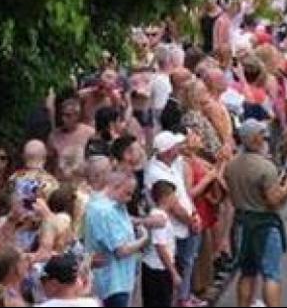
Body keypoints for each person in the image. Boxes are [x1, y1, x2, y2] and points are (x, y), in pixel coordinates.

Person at [224, 119, 287, 308]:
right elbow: (274, 201)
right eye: (262, 134)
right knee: (271, 273)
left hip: (242, 222)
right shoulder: (265, 168)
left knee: (247, 272)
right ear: (256, 139)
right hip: (264, 223)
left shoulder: (231, 165)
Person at [144, 131, 201, 308]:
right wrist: (191, 221)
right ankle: (182, 299)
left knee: (188, 261)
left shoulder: (172, 163)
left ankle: (185, 295)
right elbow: (174, 205)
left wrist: (194, 213)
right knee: (181, 263)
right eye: (176, 146)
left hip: (186, 221)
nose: (179, 148)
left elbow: (183, 191)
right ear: (168, 151)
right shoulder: (156, 173)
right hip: (177, 227)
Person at [84, 171, 149, 307]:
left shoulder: (116, 205)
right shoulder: (104, 211)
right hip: (112, 282)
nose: (129, 199)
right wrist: (144, 239)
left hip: (122, 278)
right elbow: (121, 251)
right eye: (127, 193)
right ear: (114, 186)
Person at [141, 180, 180, 308]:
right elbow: (160, 247)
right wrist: (173, 272)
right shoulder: (159, 217)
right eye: (173, 196)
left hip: (158, 267)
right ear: (165, 198)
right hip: (157, 269)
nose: (175, 199)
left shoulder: (160, 215)